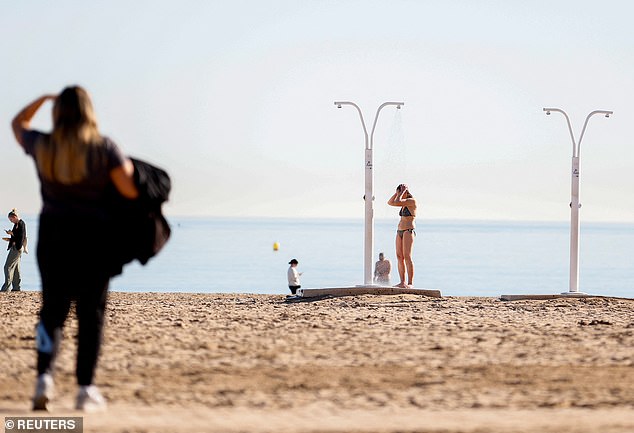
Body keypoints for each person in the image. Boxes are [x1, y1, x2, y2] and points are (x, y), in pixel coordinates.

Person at [11, 86, 138, 412]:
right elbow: (129, 187)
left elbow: (17, 124)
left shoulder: (44, 145)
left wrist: (42, 98)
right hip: (94, 238)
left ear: (58, 114)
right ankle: (85, 389)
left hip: (54, 236)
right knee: (90, 313)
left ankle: (44, 379)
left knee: (52, 312)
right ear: (89, 112)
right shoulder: (103, 148)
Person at [387, 184, 417, 288]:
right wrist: (397, 193)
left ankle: (410, 283)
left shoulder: (411, 201)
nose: (398, 195)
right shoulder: (402, 203)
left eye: (399, 193)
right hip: (399, 231)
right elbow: (390, 202)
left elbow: (396, 201)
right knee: (399, 256)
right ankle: (402, 282)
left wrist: (402, 192)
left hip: (408, 231)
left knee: (407, 256)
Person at [1, 209, 27, 292]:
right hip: (16, 248)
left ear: (15, 217)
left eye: (11, 219)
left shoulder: (20, 224)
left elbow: (21, 236)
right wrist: (9, 239)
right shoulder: (17, 224)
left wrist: (12, 234)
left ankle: (6, 288)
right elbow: (17, 237)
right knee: (15, 268)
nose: (11, 221)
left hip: (17, 249)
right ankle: (16, 288)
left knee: (7, 267)